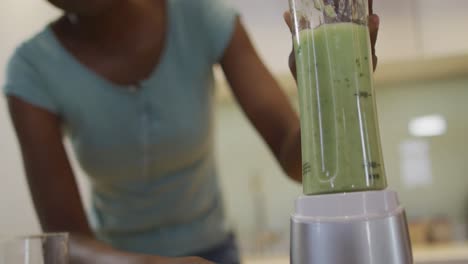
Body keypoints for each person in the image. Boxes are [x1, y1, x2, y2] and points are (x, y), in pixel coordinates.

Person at [3, 0, 379, 263]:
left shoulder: (200, 15)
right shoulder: (31, 70)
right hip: (113, 261)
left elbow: (295, 159)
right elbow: (66, 241)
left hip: (213, 253)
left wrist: (328, 92)